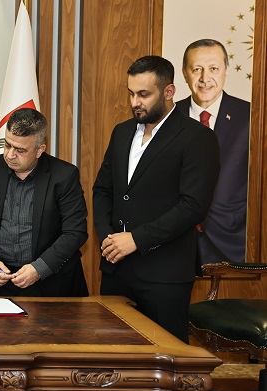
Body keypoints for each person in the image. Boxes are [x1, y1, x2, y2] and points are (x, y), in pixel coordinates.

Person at [93, 55, 220, 343]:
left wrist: (135, 239)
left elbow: (193, 206)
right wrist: (107, 237)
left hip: (165, 274)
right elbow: (103, 190)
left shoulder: (197, 138)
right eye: (131, 93)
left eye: (143, 94)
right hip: (116, 268)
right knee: (112, 354)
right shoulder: (122, 132)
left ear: (168, 91)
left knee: (166, 357)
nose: (135, 102)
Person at [0, 108, 88, 297]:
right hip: (3, 280)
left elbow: (75, 232)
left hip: (51, 283)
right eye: (7, 145)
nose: (10, 155)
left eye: (20, 150)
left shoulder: (64, 176)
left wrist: (39, 268)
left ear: (40, 150)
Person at [175, 39, 249, 265]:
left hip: (233, 244)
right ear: (185, 73)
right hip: (175, 244)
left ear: (226, 70)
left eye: (213, 69)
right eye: (196, 69)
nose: (205, 78)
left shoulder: (252, 117)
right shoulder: (167, 118)